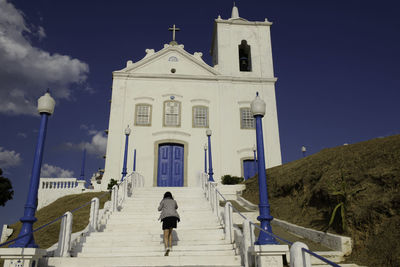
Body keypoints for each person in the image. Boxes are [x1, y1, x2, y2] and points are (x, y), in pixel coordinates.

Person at [158, 191, 180, 256]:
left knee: (165, 234)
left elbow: (159, 209)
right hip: (174, 218)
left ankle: (166, 248)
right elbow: (176, 207)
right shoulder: (174, 201)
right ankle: (170, 247)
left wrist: (162, 201)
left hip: (166, 217)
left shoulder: (163, 201)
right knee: (170, 233)